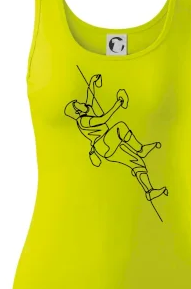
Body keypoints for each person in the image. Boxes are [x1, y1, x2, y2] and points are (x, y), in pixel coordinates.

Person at [64, 72, 168, 203]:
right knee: (120, 127)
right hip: (103, 145)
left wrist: (92, 83)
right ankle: (140, 148)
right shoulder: (83, 121)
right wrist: (118, 103)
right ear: (77, 111)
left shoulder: (86, 110)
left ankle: (149, 191)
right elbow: (103, 119)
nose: (80, 102)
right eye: (77, 104)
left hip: (110, 142)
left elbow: (90, 97)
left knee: (137, 161)